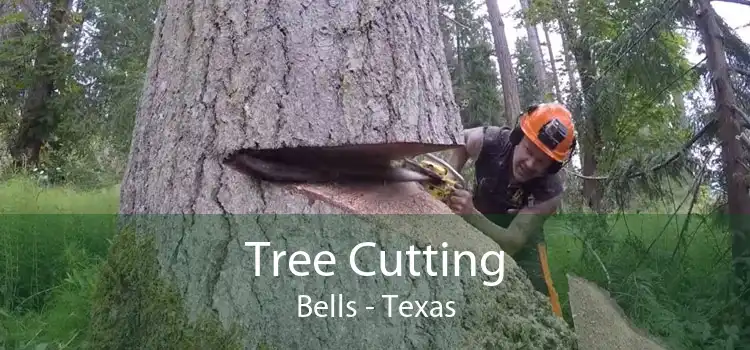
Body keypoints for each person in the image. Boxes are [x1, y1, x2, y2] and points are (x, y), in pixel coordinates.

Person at [445, 103, 577, 318]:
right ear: (518, 137)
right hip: (478, 220)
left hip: (522, 244)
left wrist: (470, 214)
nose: (530, 163)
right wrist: (450, 178)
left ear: (551, 167)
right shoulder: (491, 140)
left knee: (544, 302)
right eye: (528, 150)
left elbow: (513, 242)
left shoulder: (549, 192)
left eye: (541, 161)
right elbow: (462, 141)